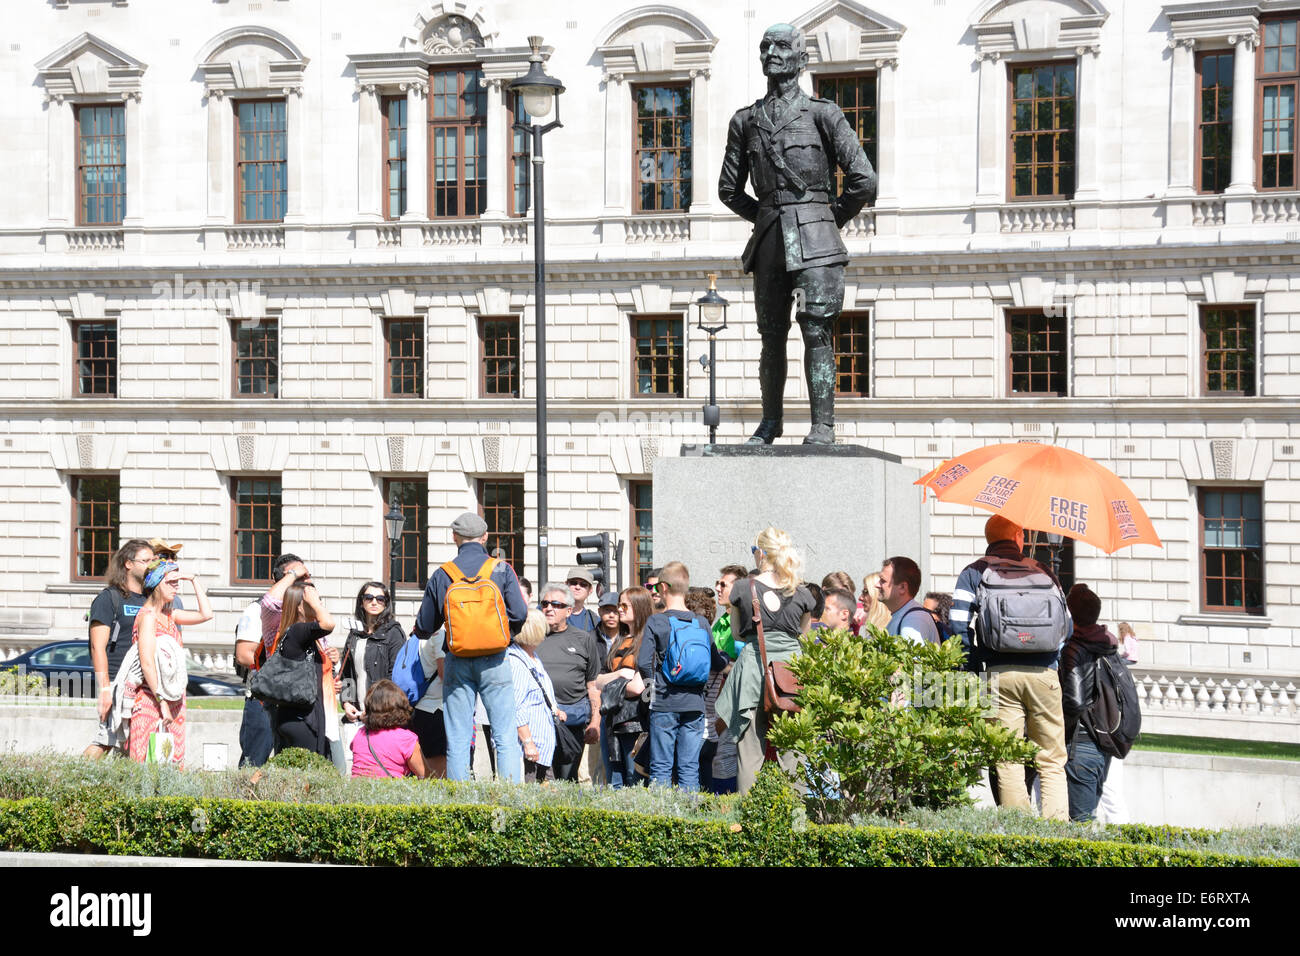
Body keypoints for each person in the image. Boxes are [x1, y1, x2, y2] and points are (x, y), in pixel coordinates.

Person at [718, 22, 876, 445]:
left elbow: (864, 179)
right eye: (765, 45)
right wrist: (766, 216)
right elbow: (728, 190)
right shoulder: (745, 121)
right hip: (770, 243)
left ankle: (823, 425)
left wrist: (827, 220)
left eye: (782, 46)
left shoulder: (824, 114)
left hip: (818, 245)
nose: (772, 52)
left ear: (801, 59)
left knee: (815, 329)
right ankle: (770, 423)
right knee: (771, 336)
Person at [951, 514, 1071, 821]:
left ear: (988, 537)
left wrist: (975, 664)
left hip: (998, 674)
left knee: (1007, 758)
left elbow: (957, 625)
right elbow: (1066, 627)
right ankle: (1058, 835)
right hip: (1044, 674)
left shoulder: (974, 572)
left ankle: (1020, 835)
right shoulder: (1044, 570)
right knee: (1052, 759)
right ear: (1019, 537)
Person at [411, 513, 528, 783]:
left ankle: (460, 801)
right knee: (505, 735)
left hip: (457, 659)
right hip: (496, 659)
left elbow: (425, 626)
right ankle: (509, 796)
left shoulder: (443, 574)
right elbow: (520, 613)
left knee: (459, 736)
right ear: (485, 536)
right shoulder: (501, 569)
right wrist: (503, 637)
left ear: (455, 538)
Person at [716, 528, 815, 794]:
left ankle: (750, 825)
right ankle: (798, 823)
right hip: (790, 674)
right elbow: (803, 637)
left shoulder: (742, 589)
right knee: (793, 753)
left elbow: (737, 632)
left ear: (760, 553)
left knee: (749, 754)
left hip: (752, 669)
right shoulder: (802, 593)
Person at [637, 562, 723, 791]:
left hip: (665, 701)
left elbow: (643, 662)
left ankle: (662, 821)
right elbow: (715, 662)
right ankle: (690, 819)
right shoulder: (701, 622)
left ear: (663, 587)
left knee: (661, 767)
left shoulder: (657, 621)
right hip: (695, 704)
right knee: (689, 767)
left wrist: (650, 691)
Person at [124, 558, 212, 763]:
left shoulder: (170, 615)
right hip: (151, 698)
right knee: (145, 761)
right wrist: (161, 701)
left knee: (172, 760)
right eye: (170, 582)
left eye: (177, 582)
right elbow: (146, 663)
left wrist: (193, 580)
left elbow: (206, 614)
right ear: (156, 584)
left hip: (175, 697)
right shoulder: (147, 616)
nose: (176, 587)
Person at [83, 538, 154, 758]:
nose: (151, 565)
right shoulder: (108, 599)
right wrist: (105, 689)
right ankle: (74, 780)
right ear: (128, 563)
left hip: (141, 682)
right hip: (116, 680)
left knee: (134, 743)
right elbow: (97, 647)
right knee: (105, 741)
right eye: (145, 560)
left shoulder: (149, 600)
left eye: (153, 560)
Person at [233, 553, 304, 767]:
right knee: (254, 762)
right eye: (294, 575)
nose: (302, 581)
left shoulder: (302, 611)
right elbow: (244, 654)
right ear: (280, 579)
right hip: (262, 700)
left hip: (293, 700)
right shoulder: (256, 610)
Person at [1061, 584, 1121, 822]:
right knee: (1087, 818)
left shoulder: (1074, 647)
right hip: (1102, 741)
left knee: (1079, 825)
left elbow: (1075, 701)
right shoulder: (1109, 644)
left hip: (1081, 743)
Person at [535, 583, 602, 781]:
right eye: (545, 603)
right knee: (541, 779)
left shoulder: (583, 639)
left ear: (569, 611)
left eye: (556, 604)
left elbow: (593, 685)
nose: (549, 608)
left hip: (572, 719)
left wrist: (595, 721)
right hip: (539, 718)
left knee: (567, 778)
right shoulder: (532, 637)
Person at [340, 581, 406, 764]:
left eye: (380, 599)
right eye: (369, 597)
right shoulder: (354, 633)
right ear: (361, 602)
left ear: (386, 603)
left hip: (382, 715)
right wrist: (346, 702)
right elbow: (347, 672)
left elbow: (396, 678)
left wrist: (375, 710)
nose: (374, 602)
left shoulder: (393, 633)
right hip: (356, 714)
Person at [269, 582, 336, 757]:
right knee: (306, 776)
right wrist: (316, 604)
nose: (318, 604)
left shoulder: (296, 635)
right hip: (302, 720)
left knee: (292, 776)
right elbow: (328, 624)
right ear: (300, 607)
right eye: (312, 601)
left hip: (296, 717)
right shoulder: (298, 631)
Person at [596, 586, 652, 788]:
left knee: (633, 778)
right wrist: (620, 675)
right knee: (614, 780)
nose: (619, 609)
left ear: (639, 607)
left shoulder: (647, 640)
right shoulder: (619, 640)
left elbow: (637, 687)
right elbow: (598, 681)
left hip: (634, 722)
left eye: (624, 605)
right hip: (611, 719)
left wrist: (608, 681)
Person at [508, 609, 566, 782]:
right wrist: (528, 743)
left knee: (549, 797)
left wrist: (555, 709)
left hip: (542, 746)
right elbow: (517, 706)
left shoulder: (533, 656)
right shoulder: (516, 662)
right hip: (529, 750)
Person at [350, 679, 427, 778]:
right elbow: (426, 775)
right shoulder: (406, 739)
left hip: (358, 791)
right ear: (400, 706)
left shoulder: (360, 733)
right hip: (389, 791)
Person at [410, 627, 448, 778]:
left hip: (421, 706)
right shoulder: (441, 632)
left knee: (428, 770)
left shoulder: (421, 632)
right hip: (435, 709)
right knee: (437, 772)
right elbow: (443, 672)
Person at [878, 556, 941, 645]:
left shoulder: (914, 620)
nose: (877, 584)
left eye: (882, 581)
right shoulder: (905, 615)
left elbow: (913, 659)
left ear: (902, 587)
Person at [713, 565, 748, 659]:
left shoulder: (744, 624)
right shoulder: (721, 621)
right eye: (717, 583)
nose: (717, 588)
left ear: (738, 589)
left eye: (723, 585)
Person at [564, 567, 600, 634]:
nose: (577, 587)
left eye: (583, 584)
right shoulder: (550, 611)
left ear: (590, 590)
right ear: (566, 585)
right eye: (573, 583)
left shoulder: (594, 621)